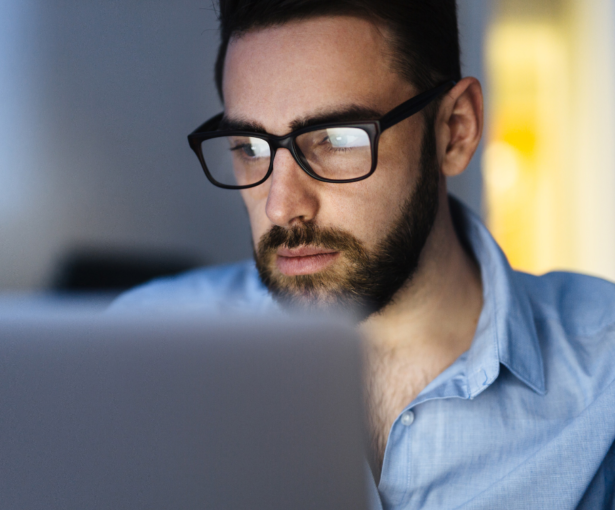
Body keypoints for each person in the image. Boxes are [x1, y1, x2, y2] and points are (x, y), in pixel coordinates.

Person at [110, 0, 615, 507]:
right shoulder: (138, 352)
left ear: (454, 130)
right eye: (250, 147)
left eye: (335, 138)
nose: (283, 206)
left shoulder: (604, 376)